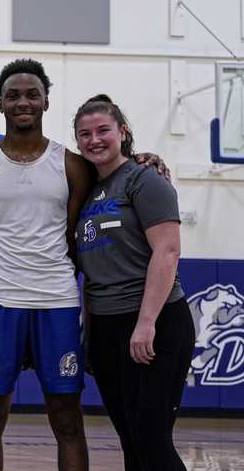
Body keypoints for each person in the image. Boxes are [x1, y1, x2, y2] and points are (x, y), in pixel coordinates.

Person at [0, 59, 91, 471]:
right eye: (13, 95)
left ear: (46, 100)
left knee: (66, 417)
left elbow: (73, 240)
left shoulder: (72, 165)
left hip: (57, 302)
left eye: (32, 94)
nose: (23, 102)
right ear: (0, 104)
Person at [73, 95, 194, 471]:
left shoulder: (145, 179)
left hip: (154, 323)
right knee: (130, 441)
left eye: (103, 130)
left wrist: (146, 323)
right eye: (84, 134)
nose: (95, 140)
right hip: (107, 329)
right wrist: (91, 336)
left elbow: (168, 252)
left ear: (122, 133)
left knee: (152, 440)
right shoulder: (87, 189)